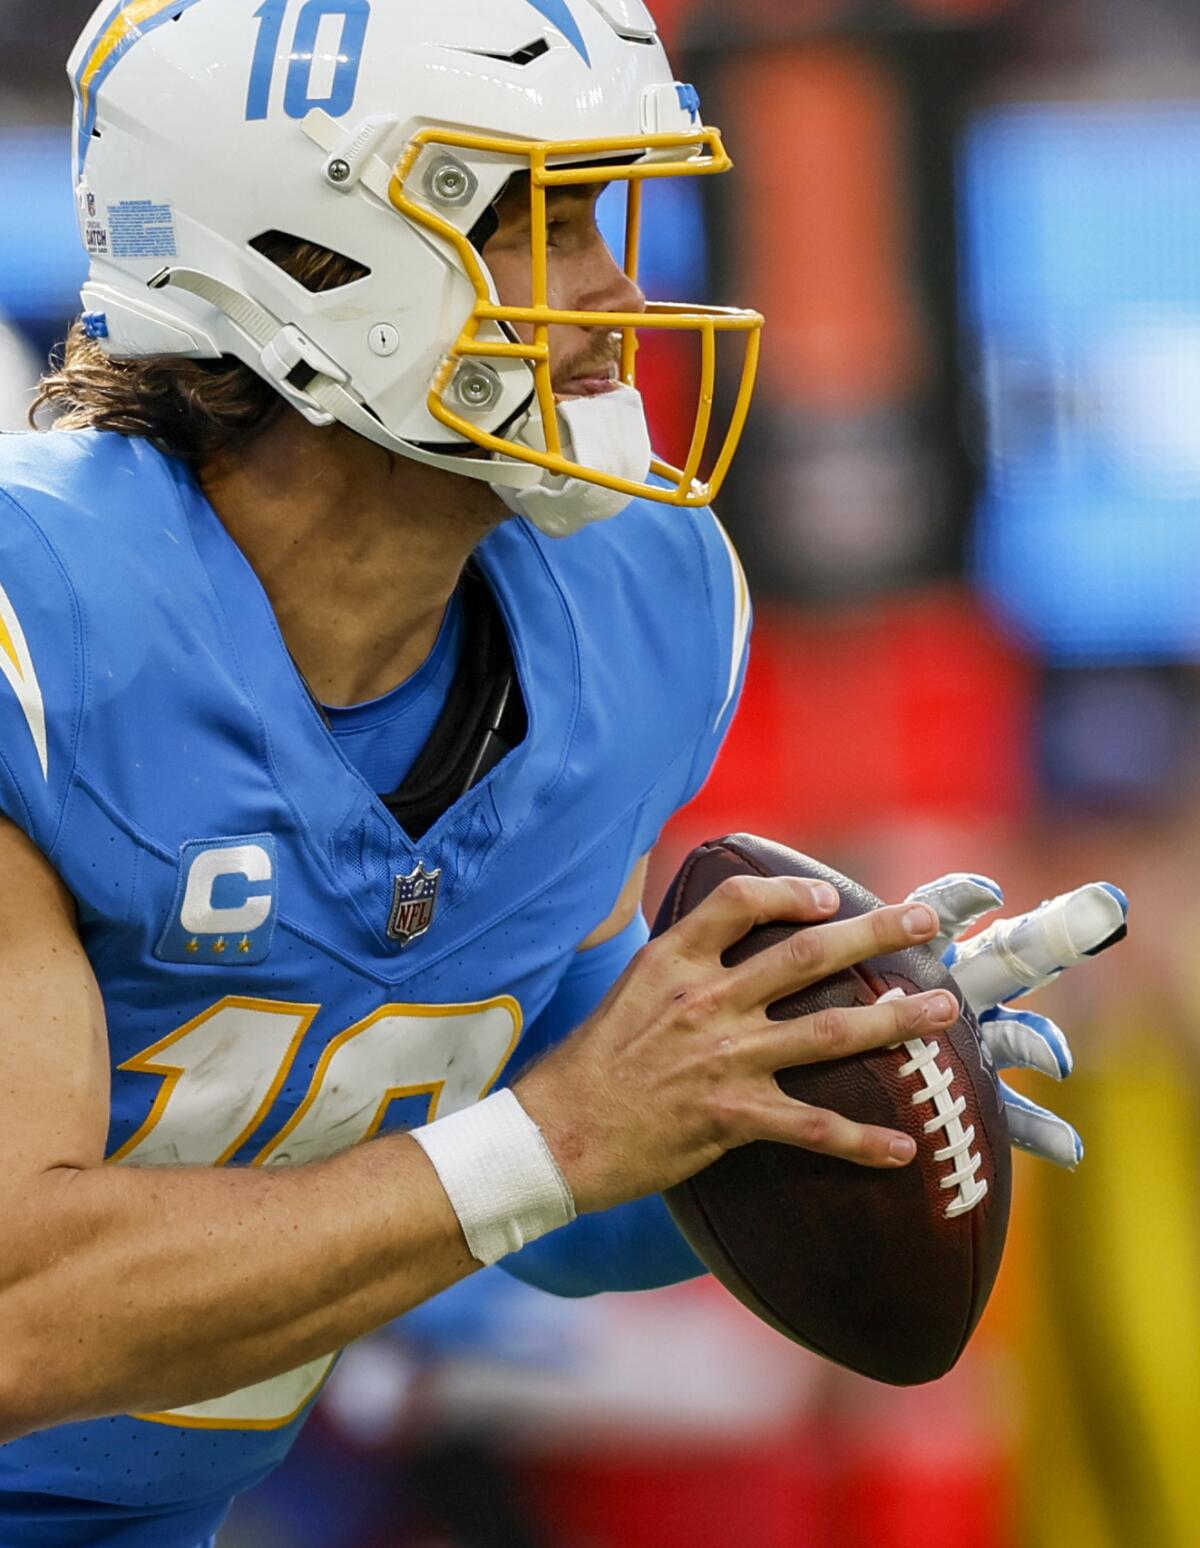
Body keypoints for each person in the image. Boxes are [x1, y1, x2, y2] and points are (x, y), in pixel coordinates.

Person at [0, 1, 1122, 1544]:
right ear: (299, 254)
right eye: (532, 219)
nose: (613, 291)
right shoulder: (48, 627)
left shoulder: (629, 606)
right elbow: (18, 1313)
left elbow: (533, 1173)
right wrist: (565, 1134)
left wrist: (773, 1093)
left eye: (606, 210)